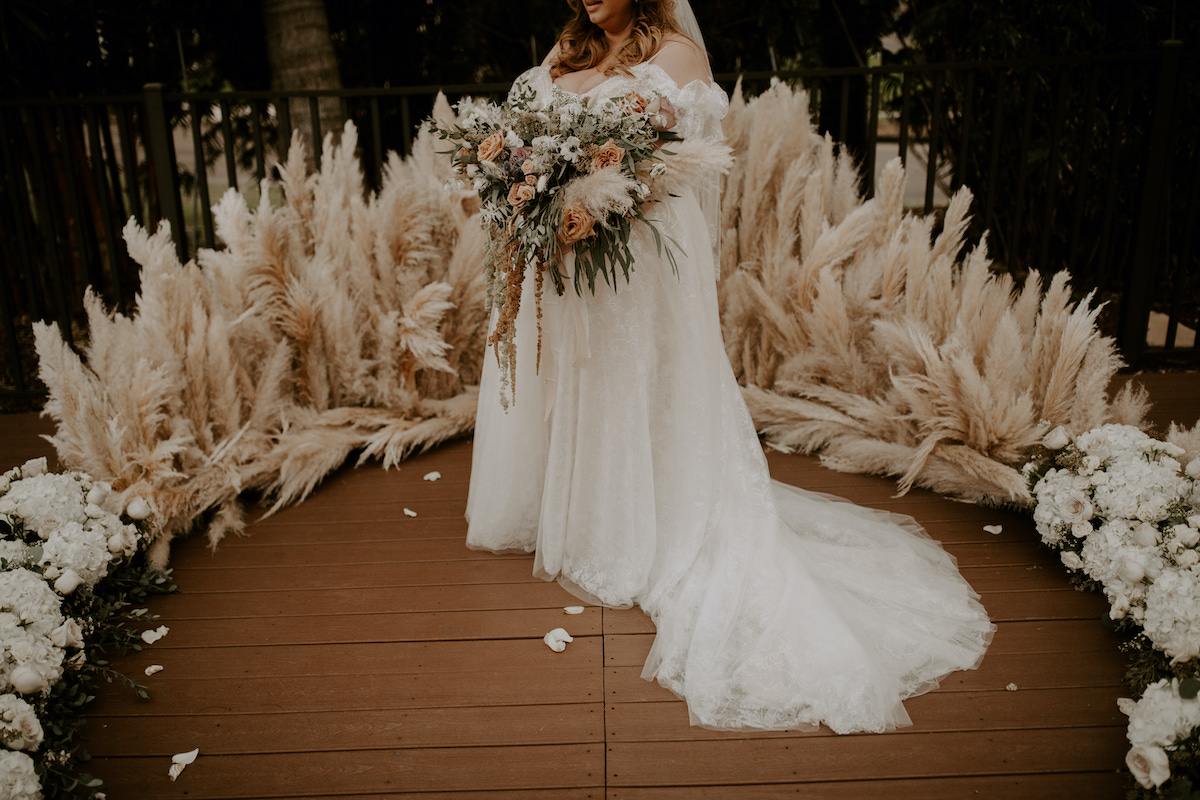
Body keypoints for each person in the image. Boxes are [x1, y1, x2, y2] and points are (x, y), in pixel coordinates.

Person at [465, 0, 994, 733]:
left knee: (634, 383)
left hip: (634, 260)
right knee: (577, 378)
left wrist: (595, 195)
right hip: (562, 257)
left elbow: (671, 168)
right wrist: (531, 192)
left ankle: (646, 520)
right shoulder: (562, 56)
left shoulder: (676, 56)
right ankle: (585, 507)